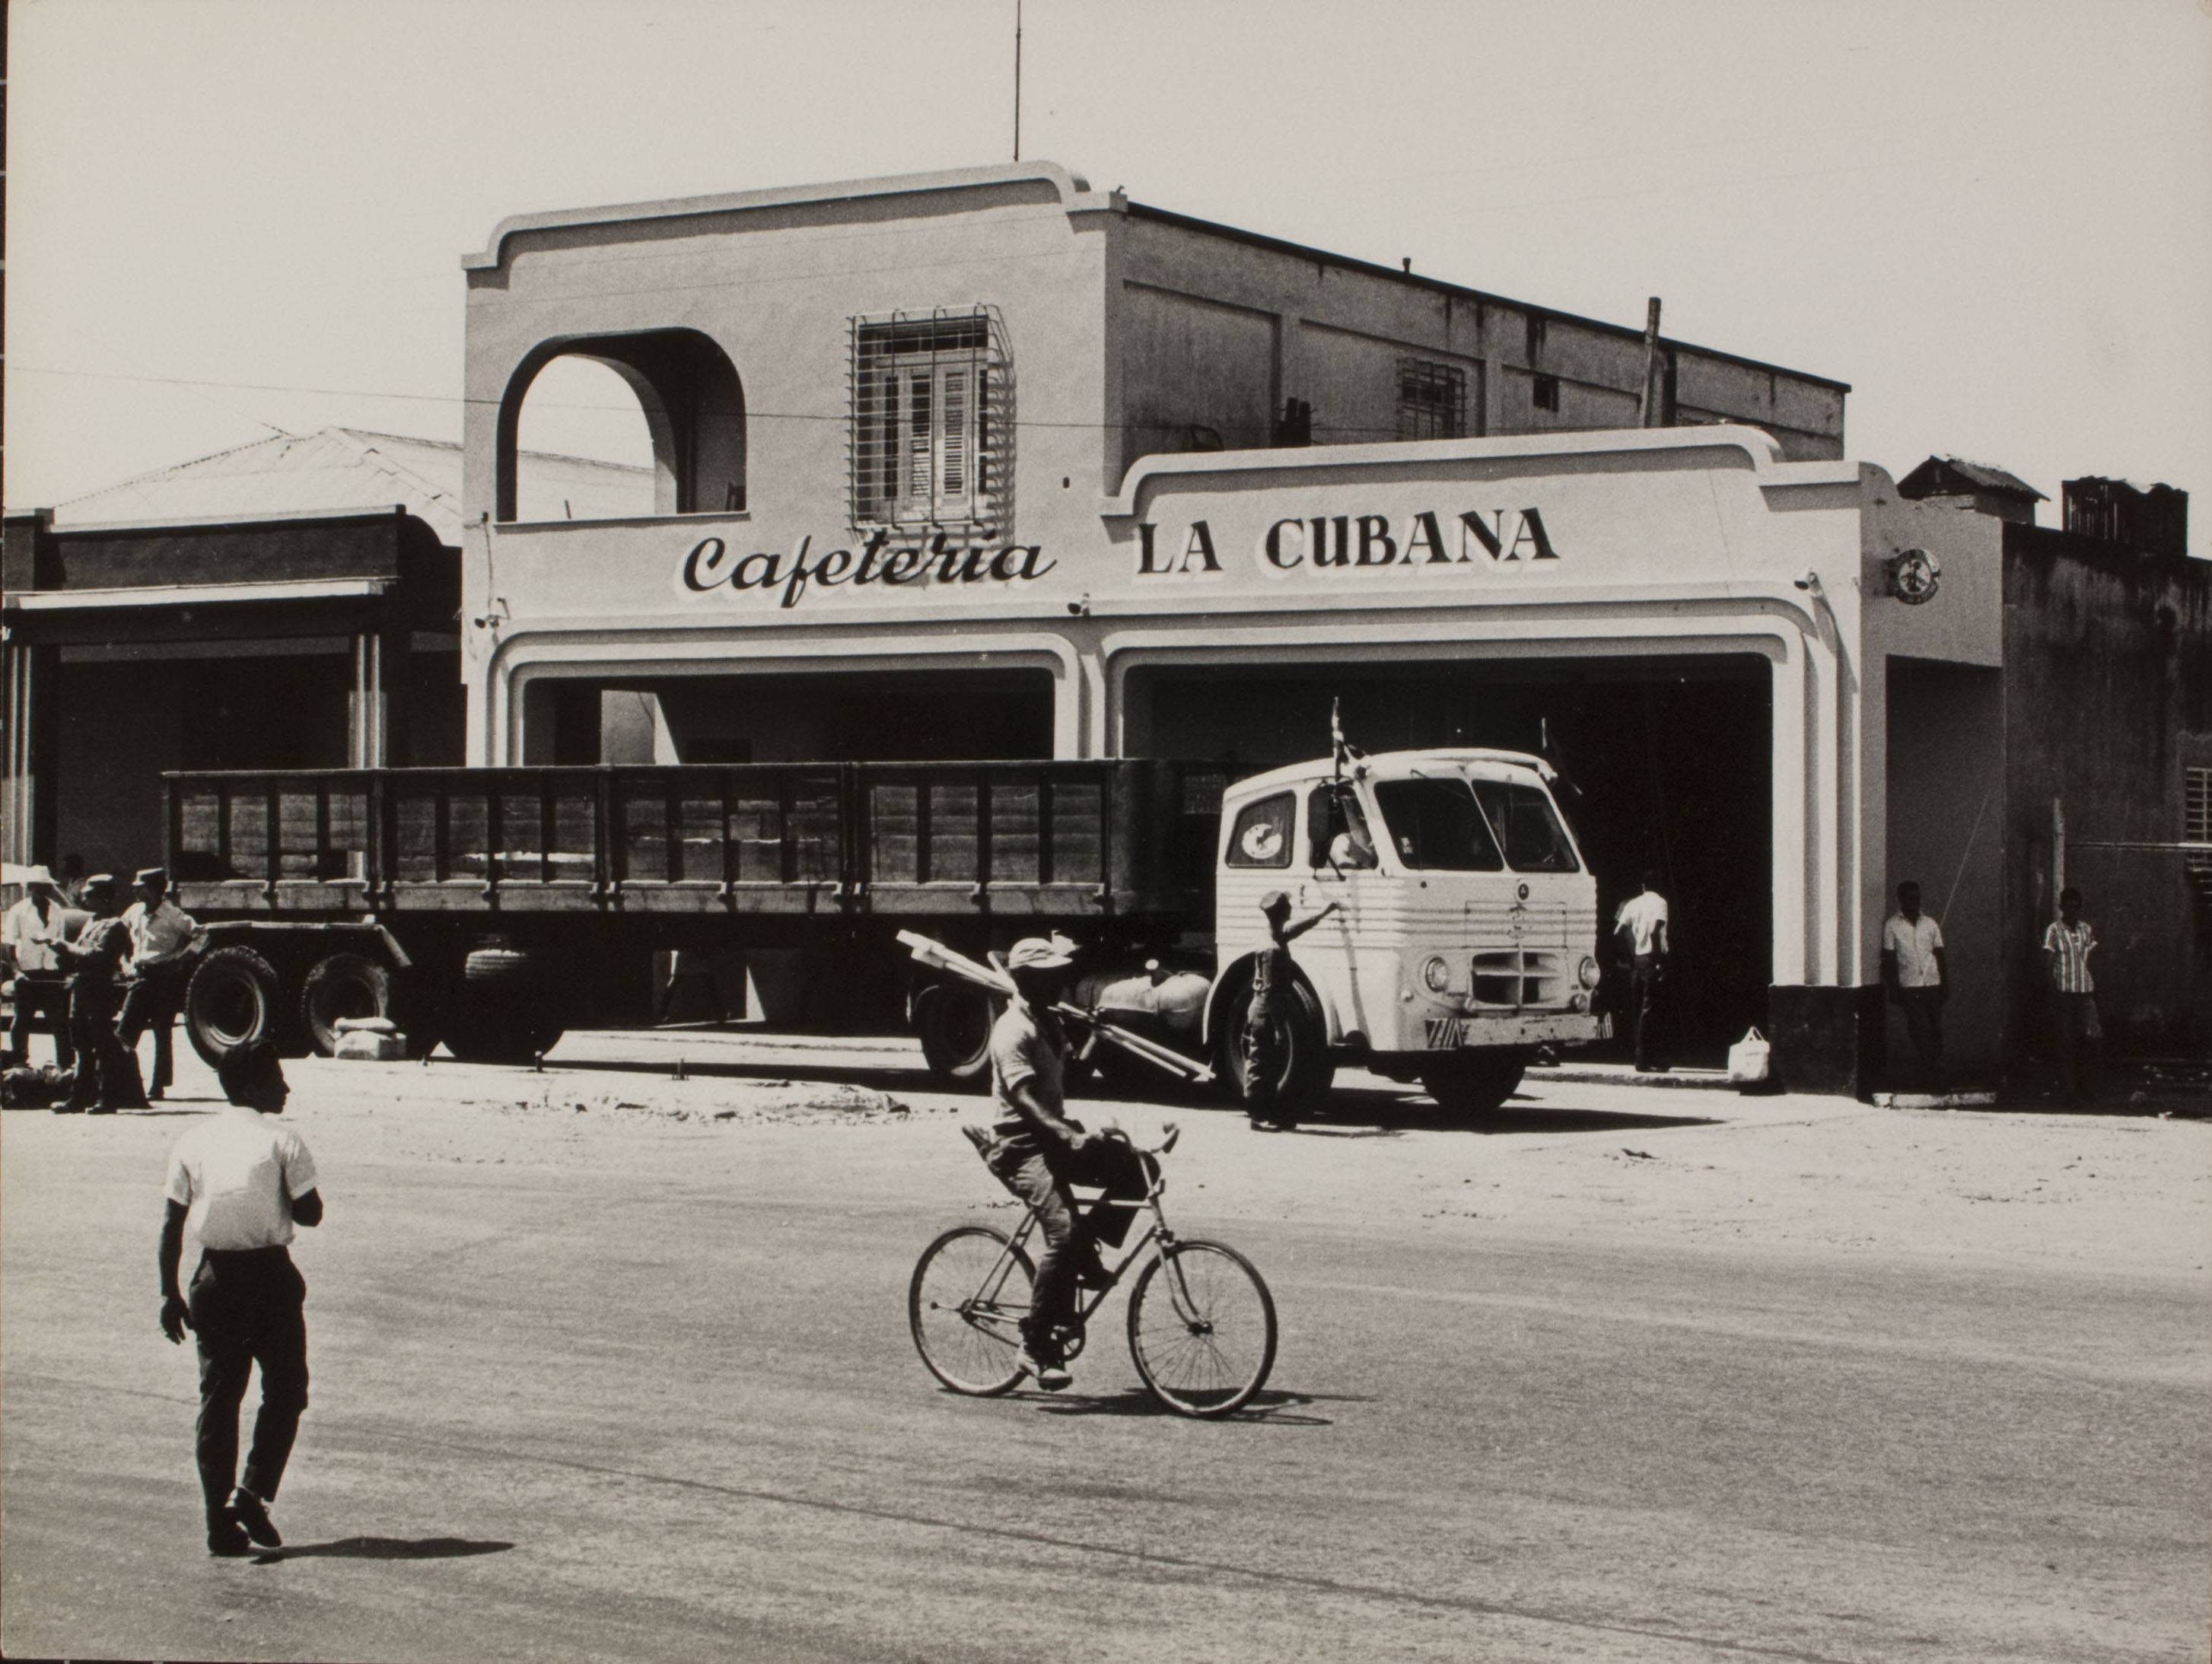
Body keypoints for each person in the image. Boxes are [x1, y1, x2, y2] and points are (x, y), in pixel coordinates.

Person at [159, 1039, 322, 1557]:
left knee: (220, 1399)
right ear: (252, 1086)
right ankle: (252, 1491)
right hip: (269, 1279)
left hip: (213, 1280)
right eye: (277, 1077)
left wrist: (168, 1291)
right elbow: (311, 1213)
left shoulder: (193, 1138)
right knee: (287, 1389)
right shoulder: (283, 1140)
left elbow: (172, 1223)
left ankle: (217, 1521)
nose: (286, 1086)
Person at [981, 935, 1108, 1392]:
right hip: (1020, 1145)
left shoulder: (1050, 1023)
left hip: (1053, 1136)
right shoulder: (1013, 1031)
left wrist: (1096, 1038)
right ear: (1022, 980)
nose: (1059, 983)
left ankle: (1085, 1259)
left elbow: (1071, 1078)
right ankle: (1035, 1345)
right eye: (1048, 977)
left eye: (1059, 976)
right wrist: (1066, 1135)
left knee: (1135, 1169)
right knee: (1064, 1233)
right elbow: (1025, 1097)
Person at [1243, 890, 1338, 1131]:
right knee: (1261, 1063)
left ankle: (1271, 1113)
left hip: (1269, 1009)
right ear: (1280, 913)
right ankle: (1258, 1115)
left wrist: (1322, 914)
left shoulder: (1273, 935)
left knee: (1272, 1062)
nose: (1291, 909)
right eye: (1288, 906)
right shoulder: (1272, 949)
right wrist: (1279, 1029)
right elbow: (1269, 992)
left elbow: (1294, 929)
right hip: (1267, 1011)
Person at [56, 875, 148, 1113]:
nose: (85, 899)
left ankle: (108, 1099)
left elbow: (98, 955)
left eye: (90, 895)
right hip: (82, 987)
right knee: (82, 1045)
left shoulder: (115, 925)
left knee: (102, 1045)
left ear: (105, 899)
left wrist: (65, 946)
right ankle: (79, 1097)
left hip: (100, 989)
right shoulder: (91, 922)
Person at [119, 867, 198, 1100]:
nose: (137, 893)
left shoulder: (173, 915)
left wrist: (181, 959)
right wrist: (124, 962)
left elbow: (201, 935)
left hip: (164, 978)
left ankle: (158, 1084)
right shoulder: (133, 912)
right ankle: (121, 1078)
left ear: (155, 890)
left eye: (141, 889)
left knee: (162, 1033)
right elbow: (118, 934)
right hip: (140, 976)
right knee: (125, 1031)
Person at [3, 866, 78, 1070]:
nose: (42, 891)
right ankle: (19, 1060)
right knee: (23, 1020)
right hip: (28, 972)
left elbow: (61, 943)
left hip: (51, 971)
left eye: (46, 887)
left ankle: (65, 1063)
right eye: (37, 887)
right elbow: (10, 944)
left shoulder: (57, 910)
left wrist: (65, 972)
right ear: (30, 888)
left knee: (59, 1020)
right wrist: (17, 971)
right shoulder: (18, 910)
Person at [1880, 880, 1948, 1090]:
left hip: (1932, 983)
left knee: (1935, 1027)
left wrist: (1945, 983)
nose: (1915, 902)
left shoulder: (1930, 924)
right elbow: (1889, 958)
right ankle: (1929, 1067)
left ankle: (1933, 1065)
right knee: (1920, 1028)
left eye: (1917, 898)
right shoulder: (1892, 926)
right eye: (1910, 898)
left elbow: (1940, 955)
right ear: (1901, 899)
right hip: (1909, 985)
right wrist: (1893, 987)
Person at [2042, 886, 2099, 1104]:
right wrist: (2051, 991)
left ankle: (2086, 1084)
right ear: (2062, 907)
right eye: (2068, 906)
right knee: (2065, 1042)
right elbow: (2047, 962)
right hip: (2063, 993)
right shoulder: (2054, 931)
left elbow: (2090, 958)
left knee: (2092, 1037)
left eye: (2076, 906)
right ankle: (2069, 1089)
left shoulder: (2086, 930)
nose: (2072, 911)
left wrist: (2093, 986)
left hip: (2084, 992)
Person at [1612, 871, 1670, 1073]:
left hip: (1637, 959)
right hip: (1651, 958)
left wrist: (1629, 958)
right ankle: (1646, 1058)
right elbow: (1655, 931)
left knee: (1640, 1009)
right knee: (1652, 1009)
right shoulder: (1661, 903)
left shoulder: (1633, 904)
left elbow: (1618, 932)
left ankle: (1643, 1056)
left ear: (1643, 886)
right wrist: (1658, 961)